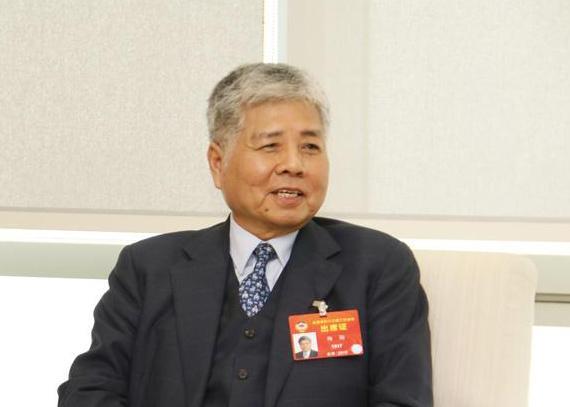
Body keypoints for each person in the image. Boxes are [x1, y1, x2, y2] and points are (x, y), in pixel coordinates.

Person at [58, 63, 433, 406]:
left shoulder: (377, 266)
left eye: (310, 147)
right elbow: (89, 391)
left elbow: (402, 399)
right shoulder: (148, 267)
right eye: (270, 146)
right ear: (217, 163)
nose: (294, 164)